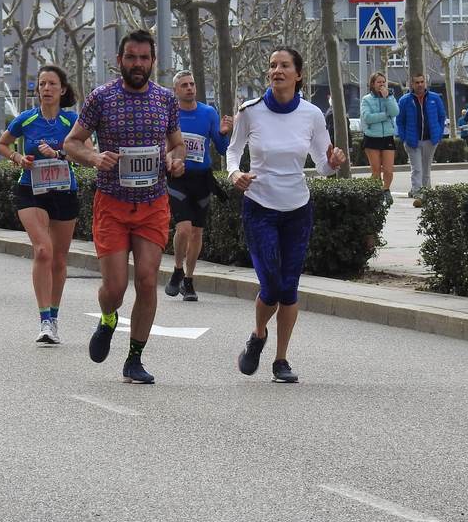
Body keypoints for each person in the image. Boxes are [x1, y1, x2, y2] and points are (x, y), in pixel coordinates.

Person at [63, 29, 186, 385]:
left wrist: (176, 161)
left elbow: (177, 145)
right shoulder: (102, 97)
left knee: (147, 281)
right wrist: (94, 156)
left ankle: (135, 358)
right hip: (112, 204)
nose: (137, 64)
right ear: (119, 61)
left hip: (152, 204)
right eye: (131, 57)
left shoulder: (165, 99)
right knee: (115, 288)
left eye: (144, 58)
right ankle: (107, 318)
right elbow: (72, 142)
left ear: (153, 62)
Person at [227, 46, 346, 384]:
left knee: (290, 288)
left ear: (299, 74)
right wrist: (235, 174)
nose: (276, 71)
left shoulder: (312, 114)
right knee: (272, 285)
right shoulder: (251, 111)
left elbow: (323, 166)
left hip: (297, 210)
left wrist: (333, 163)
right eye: (272, 65)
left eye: (284, 66)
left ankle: (281, 360)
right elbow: (233, 151)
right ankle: (258, 334)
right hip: (260, 206)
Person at [0, 65, 81, 344]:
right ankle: (44, 320)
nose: (46, 89)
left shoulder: (71, 121)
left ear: (62, 89)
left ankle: (54, 317)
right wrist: (18, 159)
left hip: (64, 191)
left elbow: (86, 152)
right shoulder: (26, 119)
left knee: (58, 258)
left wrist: (58, 153)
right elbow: (3, 144)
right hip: (30, 189)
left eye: (52, 84)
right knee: (43, 251)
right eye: (42, 84)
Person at [164, 69, 232, 302]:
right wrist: (170, 162)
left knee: (196, 232)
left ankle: (189, 280)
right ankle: (176, 268)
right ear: (176, 90)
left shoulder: (208, 112)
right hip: (178, 178)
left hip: (202, 179)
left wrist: (224, 133)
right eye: (184, 85)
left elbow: (222, 148)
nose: (190, 88)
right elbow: (163, 146)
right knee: (183, 228)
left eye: (192, 84)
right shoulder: (170, 114)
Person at [395, 73, 446, 208]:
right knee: (417, 168)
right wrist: (404, 138)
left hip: (431, 139)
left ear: (426, 83)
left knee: (426, 168)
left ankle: (427, 194)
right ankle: (418, 195)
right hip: (413, 141)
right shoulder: (405, 100)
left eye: (422, 82)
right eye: (417, 82)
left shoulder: (435, 98)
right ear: (412, 84)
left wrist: (439, 134)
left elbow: (442, 117)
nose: (420, 85)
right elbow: (399, 121)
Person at [359, 71, 399, 207]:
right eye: (379, 82)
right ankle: (374, 194)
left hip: (387, 136)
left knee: (388, 170)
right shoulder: (366, 99)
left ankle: (386, 189)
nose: (382, 84)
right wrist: (385, 115)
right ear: (372, 84)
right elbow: (367, 117)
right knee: (376, 170)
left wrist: (387, 98)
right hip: (372, 138)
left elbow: (395, 112)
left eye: (383, 82)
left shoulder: (390, 97)